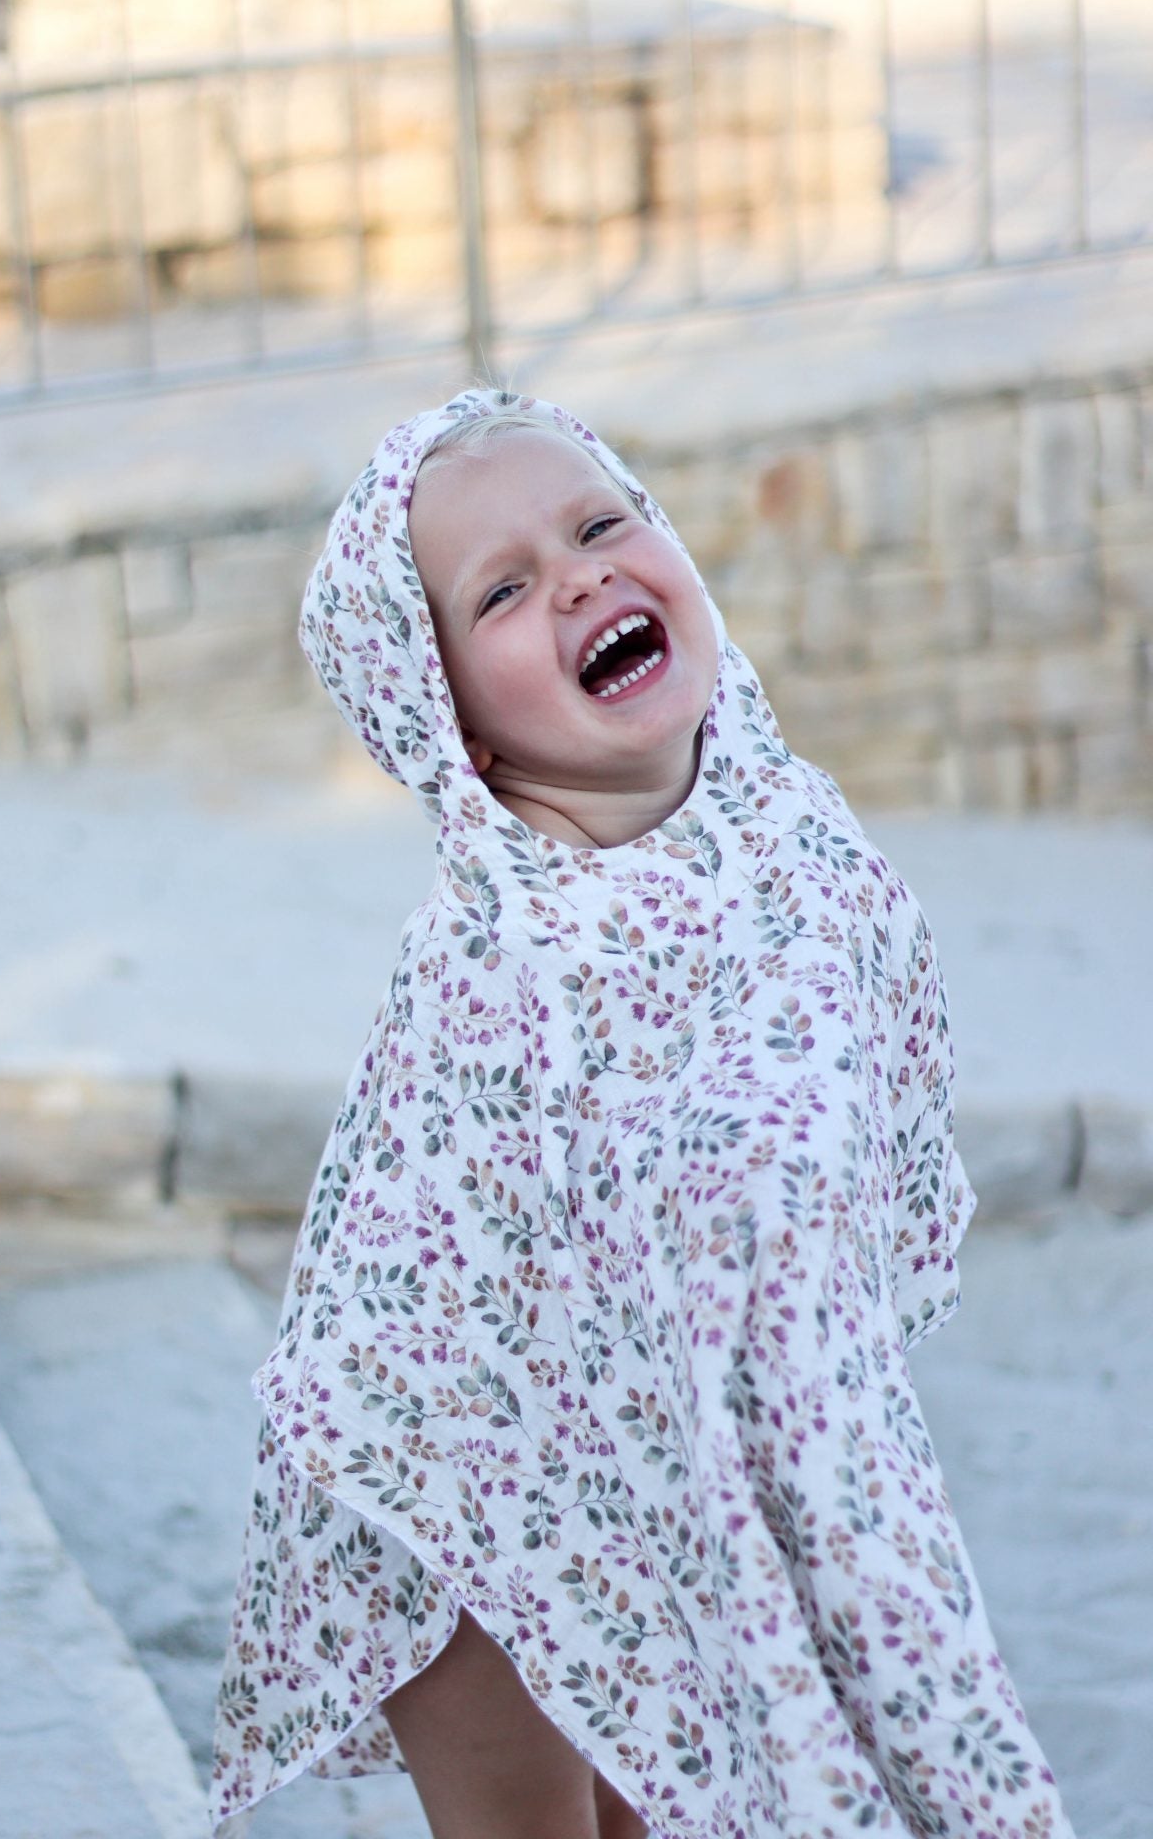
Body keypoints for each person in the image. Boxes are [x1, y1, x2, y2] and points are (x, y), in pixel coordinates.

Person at [210, 388, 1076, 1839]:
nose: (580, 574)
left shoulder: (788, 827)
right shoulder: (516, 965)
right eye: (504, 590)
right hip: (452, 1466)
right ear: (460, 730)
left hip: (648, 1434)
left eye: (604, 521)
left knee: (673, 1794)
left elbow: (858, 1072)